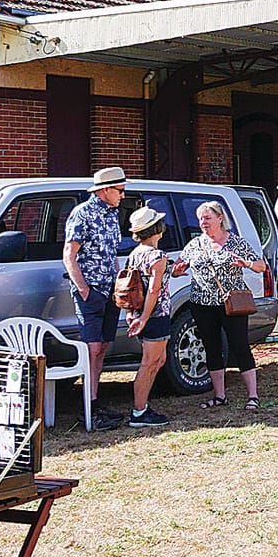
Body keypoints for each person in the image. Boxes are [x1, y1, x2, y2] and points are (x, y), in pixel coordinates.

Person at [184, 199, 278, 404]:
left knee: (240, 346)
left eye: (208, 218)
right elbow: (180, 266)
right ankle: (219, 396)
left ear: (220, 218)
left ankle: (253, 396)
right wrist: (175, 269)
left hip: (232, 304)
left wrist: (247, 263)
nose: (203, 222)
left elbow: (261, 266)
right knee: (211, 346)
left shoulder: (235, 242)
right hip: (202, 303)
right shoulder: (195, 244)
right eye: (201, 219)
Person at [62, 165, 128, 430]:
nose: (123, 196)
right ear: (105, 190)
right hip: (90, 291)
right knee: (92, 348)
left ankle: (95, 401)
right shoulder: (82, 214)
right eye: (120, 191)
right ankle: (87, 407)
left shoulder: (112, 215)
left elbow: (112, 253)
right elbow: (69, 254)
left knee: (102, 348)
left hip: (109, 289)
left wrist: (119, 282)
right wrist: (83, 289)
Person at [118, 205, 173, 427]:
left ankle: (143, 407)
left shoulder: (135, 255)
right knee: (149, 364)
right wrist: (144, 318)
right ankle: (139, 412)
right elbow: (153, 289)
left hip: (143, 313)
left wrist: (134, 314)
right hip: (155, 315)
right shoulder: (157, 256)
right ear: (157, 229)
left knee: (158, 360)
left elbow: (132, 285)